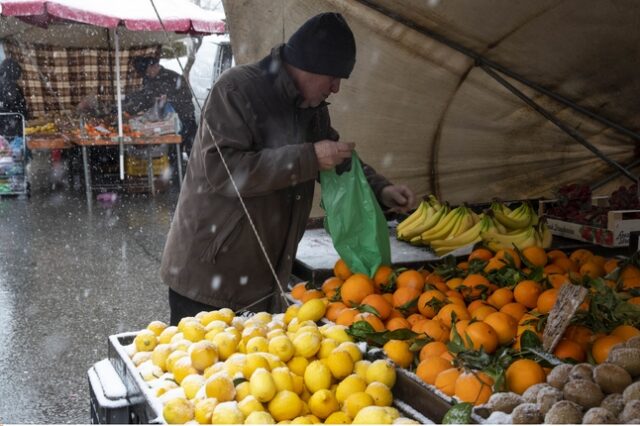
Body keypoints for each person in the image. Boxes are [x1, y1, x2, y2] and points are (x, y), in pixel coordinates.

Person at [160, 12, 416, 324]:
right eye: (333, 77)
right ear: (310, 66)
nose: (335, 89)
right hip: (208, 278)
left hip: (263, 281)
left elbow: (335, 155)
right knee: (202, 369)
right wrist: (308, 157)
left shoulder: (312, 109)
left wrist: (381, 189)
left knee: (256, 371)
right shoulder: (237, 91)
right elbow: (223, 171)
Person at [124, 56, 197, 157]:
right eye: (145, 74)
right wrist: (128, 101)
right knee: (173, 152)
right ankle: (175, 169)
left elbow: (187, 96)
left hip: (184, 118)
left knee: (191, 151)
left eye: (148, 72)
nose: (147, 75)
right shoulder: (150, 79)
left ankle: (191, 170)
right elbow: (145, 96)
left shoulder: (172, 77)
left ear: (153, 66)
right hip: (168, 122)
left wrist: (169, 98)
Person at [0, 58, 28, 138]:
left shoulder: (5, 83)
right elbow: (19, 106)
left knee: (4, 147)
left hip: (4, 125)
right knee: (16, 146)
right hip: (11, 125)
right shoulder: (12, 86)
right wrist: (24, 116)